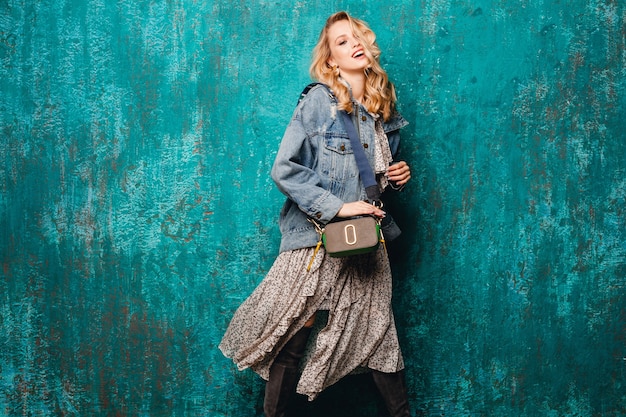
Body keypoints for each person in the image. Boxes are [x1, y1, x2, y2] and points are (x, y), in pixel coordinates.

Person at [219, 11, 412, 417]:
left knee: (379, 334)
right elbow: (285, 169)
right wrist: (339, 207)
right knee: (293, 333)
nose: (354, 44)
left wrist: (396, 175)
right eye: (341, 42)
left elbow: (368, 179)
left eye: (357, 36)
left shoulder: (383, 109)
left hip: (365, 240)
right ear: (330, 61)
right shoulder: (319, 101)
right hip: (318, 239)